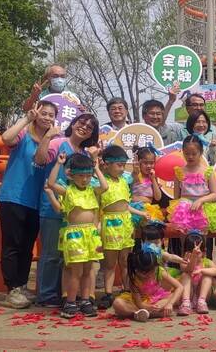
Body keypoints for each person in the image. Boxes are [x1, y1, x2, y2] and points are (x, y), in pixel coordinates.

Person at [33, 113, 99, 308]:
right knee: (51, 254)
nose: (85, 127)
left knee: (70, 258)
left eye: (90, 126)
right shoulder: (58, 142)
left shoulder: (86, 154)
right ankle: (46, 296)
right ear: (73, 123)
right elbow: (40, 159)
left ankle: (67, 296)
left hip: (77, 216)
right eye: (82, 122)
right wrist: (47, 137)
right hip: (54, 207)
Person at [0, 101, 57, 308]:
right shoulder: (23, 135)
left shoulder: (52, 141)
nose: (47, 117)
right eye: (44, 113)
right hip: (13, 197)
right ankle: (11, 290)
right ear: (36, 113)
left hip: (35, 201)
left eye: (51, 115)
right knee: (12, 245)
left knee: (27, 246)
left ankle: (21, 286)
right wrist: (26, 119)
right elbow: (5, 138)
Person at [46, 151, 107, 318]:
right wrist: (58, 163)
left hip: (91, 234)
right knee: (76, 271)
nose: (85, 179)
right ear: (71, 175)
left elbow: (105, 187)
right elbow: (51, 184)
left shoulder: (92, 190)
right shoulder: (68, 190)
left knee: (89, 270)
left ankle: (85, 300)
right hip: (75, 235)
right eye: (81, 176)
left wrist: (96, 169)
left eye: (88, 176)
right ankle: (70, 302)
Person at [96, 145, 146, 309]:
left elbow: (126, 205)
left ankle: (125, 289)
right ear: (107, 164)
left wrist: (141, 214)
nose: (122, 168)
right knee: (110, 263)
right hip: (110, 224)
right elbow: (97, 206)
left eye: (124, 165)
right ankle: (108, 293)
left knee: (125, 260)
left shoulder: (124, 181)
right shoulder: (101, 183)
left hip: (125, 223)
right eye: (119, 165)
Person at [112, 243, 183, 322]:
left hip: (159, 301)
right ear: (136, 269)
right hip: (140, 304)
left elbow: (179, 287)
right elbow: (139, 304)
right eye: (142, 272)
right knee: (117, 303)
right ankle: (138, 313)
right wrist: (147, 307)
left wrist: (170, 303)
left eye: (149, 272)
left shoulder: (160, 272)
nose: (145, 275)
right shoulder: (134, 280)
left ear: (155, 268)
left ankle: (147, 314)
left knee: (177, 296)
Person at [167, 135, 216, 234]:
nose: (190, 157)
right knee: (185, 237)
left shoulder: (207, 171)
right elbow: (176, 197)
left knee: (201, 238)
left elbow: (215, 194)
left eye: (194, 154)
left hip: (204, 207)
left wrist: (201, 200)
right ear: (182, 152)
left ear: (201, 152)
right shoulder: (179, 171)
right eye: (187, 153)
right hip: (184, 210)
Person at [177, 232, 216, 315]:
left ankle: (201, 302)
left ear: (204, 252)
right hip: (189, 294)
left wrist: (202, 270)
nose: (195, 254)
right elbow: (189, 269)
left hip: (202, 294)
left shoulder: (207, 262)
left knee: (207, 275)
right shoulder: (184, 262)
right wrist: (193, 258)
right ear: (185, 252)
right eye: (191, 252)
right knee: (185, 275)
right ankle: (186, 303)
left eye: (197, 253)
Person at [128, 146, 164, 227]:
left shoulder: (153, 177)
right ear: (139, 163)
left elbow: (158, 197)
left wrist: (153, 179)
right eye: (145, 163)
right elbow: (134, 175)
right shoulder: (137, 175)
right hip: (135, 208)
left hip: (148, 208)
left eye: (151, 163)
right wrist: (135, 170)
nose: (148, 166)